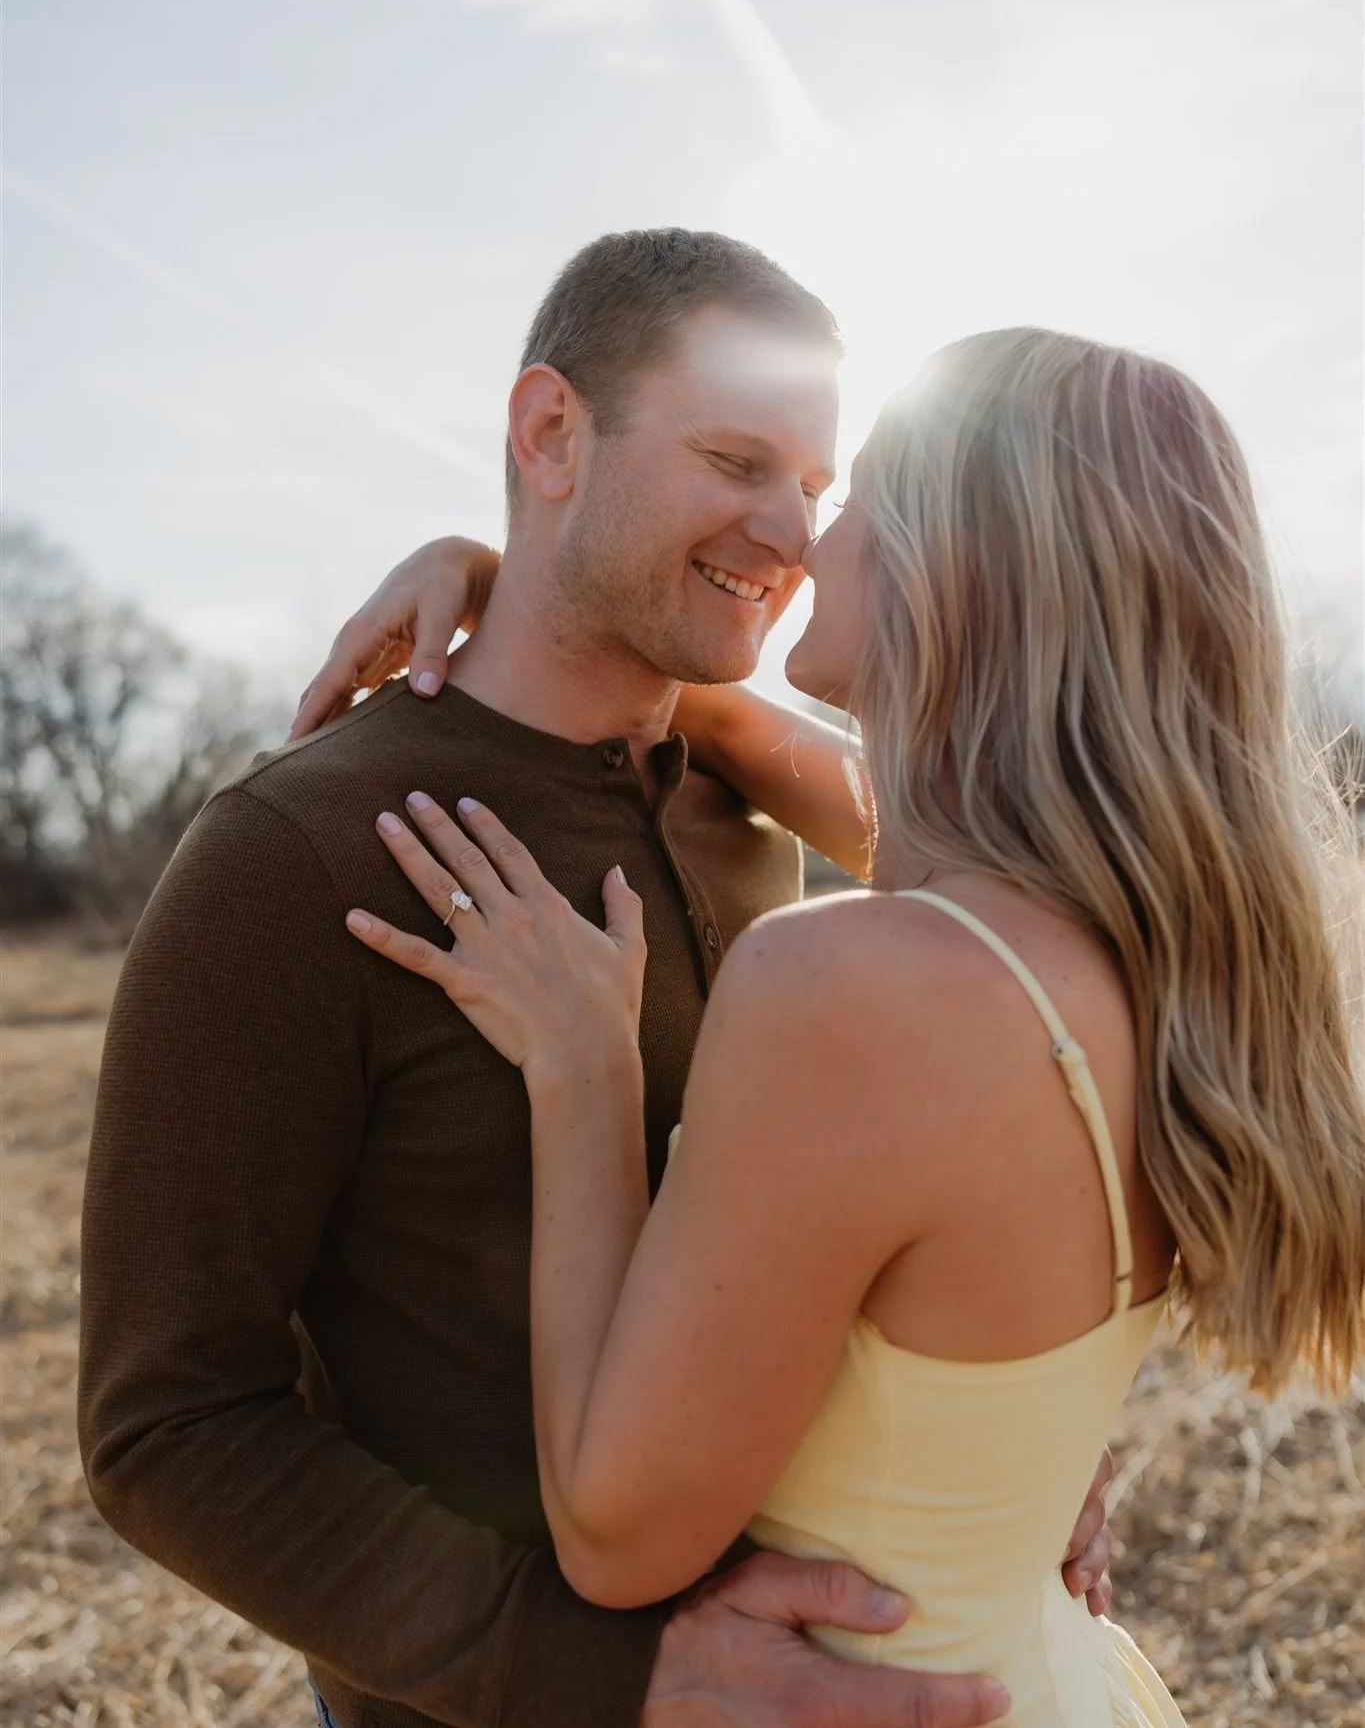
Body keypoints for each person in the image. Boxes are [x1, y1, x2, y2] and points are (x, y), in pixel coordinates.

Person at [79, 230, 1114, 1728]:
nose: (794, 536)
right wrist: (604, 1679)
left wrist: (1006, 1436)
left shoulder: (754, 812)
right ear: (551, 432)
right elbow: (165, 1425)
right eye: (736, 459)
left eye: (817, 491)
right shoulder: (291, 854)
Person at [315, 327, 1364, 1726]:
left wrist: (582, 1069)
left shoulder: (857, 990)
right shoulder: (1153, 945)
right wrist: (535, 605)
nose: (811, 540)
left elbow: (619, 1536)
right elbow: (852, 798)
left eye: (858, 495)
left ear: (964, 570)